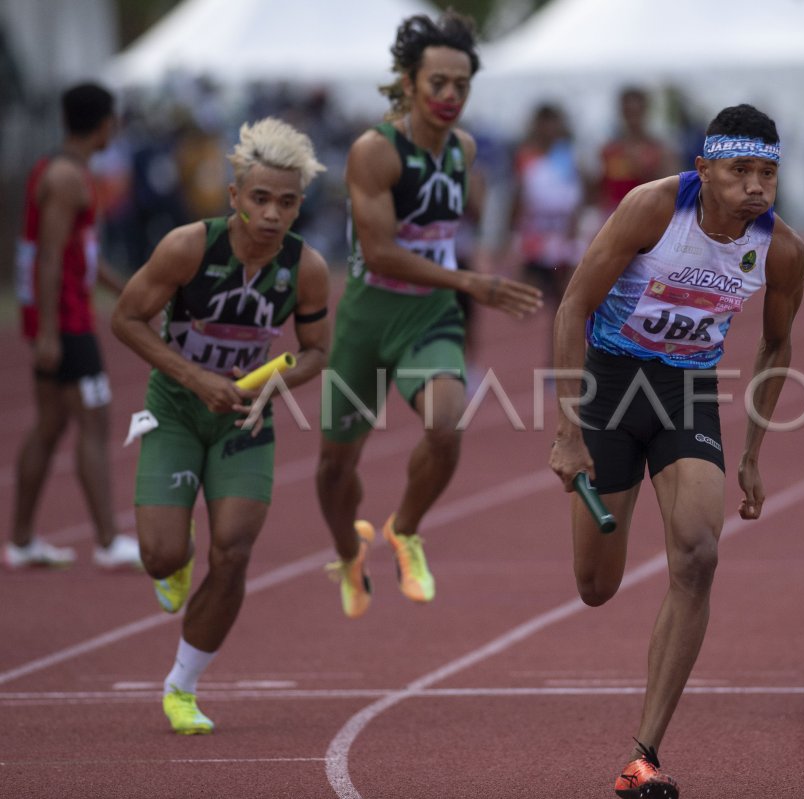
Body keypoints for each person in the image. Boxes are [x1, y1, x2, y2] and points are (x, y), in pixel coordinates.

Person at [550, 104, 804, 798]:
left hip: (684, 391)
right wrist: (569, 429)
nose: (756, 185)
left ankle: (644, 755)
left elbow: (777, 341)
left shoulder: (781, 248)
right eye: (740, 171)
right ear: (705, 170)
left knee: (698, 553)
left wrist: (752, 451)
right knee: (596, 586)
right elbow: (574, 302)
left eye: (768, 172)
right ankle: (607, 508)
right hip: (609, 383)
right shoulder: (651, 209)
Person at [316, 11, 542, 620]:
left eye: (461, 86)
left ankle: (405, 530)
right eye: (437, 83)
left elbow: (449, 227)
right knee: (335, 468)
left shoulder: (465, 151)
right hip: (367, 321)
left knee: (446, 427)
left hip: (430, 318)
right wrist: (472, 280)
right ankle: (347, 551)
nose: (449, 96)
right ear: (410, 83)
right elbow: (382, 251)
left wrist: (465, 277)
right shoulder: (375, 152)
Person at [110, 118, 331, 734]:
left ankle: (182, 686)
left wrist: (272, 387)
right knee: (159, 554)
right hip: (178, 408)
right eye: (259, 198)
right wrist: (195, 379)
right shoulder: (188, 246)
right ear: (234, 196)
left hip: (244, 416)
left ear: (298, 206)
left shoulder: (304, 267)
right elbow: (127, 319)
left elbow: (316, 350)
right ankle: (172, 561)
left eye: (285, 202)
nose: (271, 213)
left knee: (232, 552)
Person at [7, 81, 142, 571]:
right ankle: (108, 539)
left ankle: (21, 540)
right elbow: (46, 258)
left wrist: (127, 289)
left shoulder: (60, 169)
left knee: (49, 424)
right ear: (105, 124)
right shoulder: (67, 179)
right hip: (65, 322)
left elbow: (80, 254)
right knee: (94, 419)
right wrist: (46, 332)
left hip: (61, 315)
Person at [509, 102, 585, 358]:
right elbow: (517, 195)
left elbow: (578, 193)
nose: (550, 128)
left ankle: (558, 358)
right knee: (525, 306)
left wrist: (574, 228)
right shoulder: (525, 156)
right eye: (545, 123)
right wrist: (511, 234)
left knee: (565, 301)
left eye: (554, 123)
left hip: (561, 237)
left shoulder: (568, 156)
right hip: (535, 237)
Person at [594, 86, 673, 218]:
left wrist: (640, 167)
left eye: (636, 112)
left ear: (645, 111)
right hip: (614, 217)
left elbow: (669, 188)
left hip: (647, 216)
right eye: (628, 112)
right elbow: (600, 188)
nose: (632, 119)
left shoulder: (658, 149)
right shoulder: (609, 150)